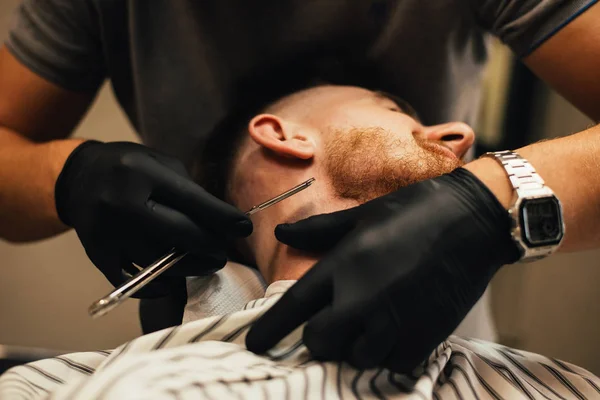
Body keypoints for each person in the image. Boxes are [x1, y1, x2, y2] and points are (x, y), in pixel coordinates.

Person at [1, 0, 600, 363]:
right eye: (396, 112)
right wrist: (67, 174)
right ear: (282, 137)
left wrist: (494, 198)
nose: (464, 135)